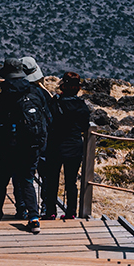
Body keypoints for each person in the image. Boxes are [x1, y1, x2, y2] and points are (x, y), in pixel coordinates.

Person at [0, 56, 52, 231]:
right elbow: (46, 119)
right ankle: (34, 218)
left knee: (1, 183)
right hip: (32, 147)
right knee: (27, 180)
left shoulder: (5, 95)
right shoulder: (35, 92)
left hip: (9, 147)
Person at [40, 73, 90, 220]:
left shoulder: (55, 102)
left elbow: (48, 120)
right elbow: (84, 126)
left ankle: (50, 211)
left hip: (55, 145)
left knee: (51, 179)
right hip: (74, 146)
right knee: (71, 182)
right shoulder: (81, 105)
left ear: (63, 86)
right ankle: (71, 212)